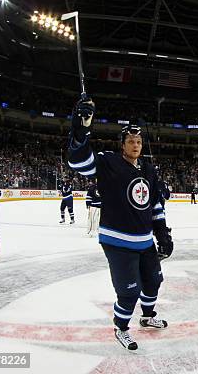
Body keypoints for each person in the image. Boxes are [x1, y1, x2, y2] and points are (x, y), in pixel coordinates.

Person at [67, 100, 173, 351]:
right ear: (122, 145)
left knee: (153, 281)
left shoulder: (148, 168)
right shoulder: (108, 162)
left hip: (145, 240)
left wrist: (163, 234)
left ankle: (147, 317)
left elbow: (154, 204)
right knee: (129, 291)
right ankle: (121, 328)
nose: (135, 146)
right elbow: (79, 163)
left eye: (138, 142)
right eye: (130, 142)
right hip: (117, 240)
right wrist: (81, 128)